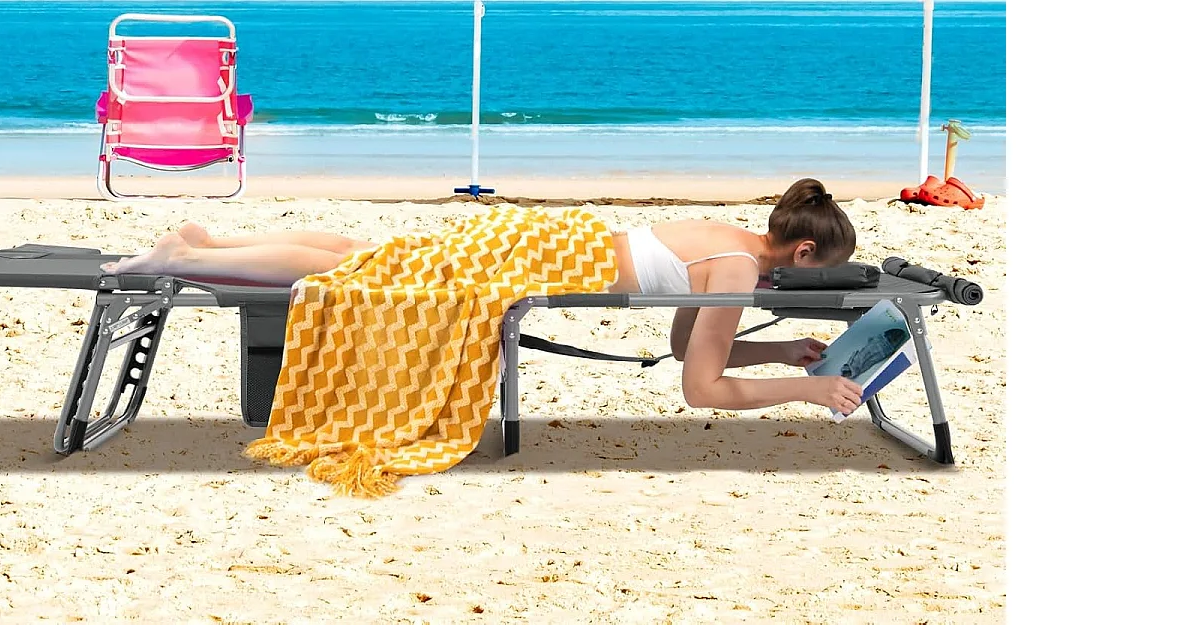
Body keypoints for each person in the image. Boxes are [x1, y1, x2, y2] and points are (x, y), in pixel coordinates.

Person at [103, 177, 864, 416]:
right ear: (802, 251)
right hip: (538, 258)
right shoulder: (735, 271)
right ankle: (187, 254)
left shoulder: (725, 232)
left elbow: (678, 347)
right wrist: (809, 387)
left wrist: (781, 345)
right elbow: (703, 386)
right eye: (817, 270)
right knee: (367, 271)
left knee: (372, 253)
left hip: (546, 241)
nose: (810, 282)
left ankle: (207, 244)